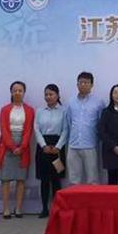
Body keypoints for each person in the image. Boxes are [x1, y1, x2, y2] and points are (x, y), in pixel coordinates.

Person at [0, 81, 35, 219]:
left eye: (20, 90)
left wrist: (22, 146)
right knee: (5, 179)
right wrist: (12, 147)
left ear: (24, 92)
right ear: (11, 92)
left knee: (21, 179)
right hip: (6, 145)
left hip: (23, 146)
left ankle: (18, 208)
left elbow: (29, 130)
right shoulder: (4, 109)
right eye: (15, 90)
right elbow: (3, 129)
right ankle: (6, 209)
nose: (17, 93)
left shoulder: (30, 110)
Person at [34, 84, 68, 218]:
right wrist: (43, 145)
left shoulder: (64, 111)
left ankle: (56, 209)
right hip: (43, 147)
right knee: (44, 179)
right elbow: (36, 129)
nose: (48, 97)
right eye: (46, 94)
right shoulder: (40, 111)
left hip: (57, 148)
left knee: (56, 179)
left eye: (51, 94)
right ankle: (44, 209)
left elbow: (65, 130)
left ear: (57, 95)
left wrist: (58, 147)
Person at [66, 71, 105, 184]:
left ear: (92, 85)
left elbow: (101, 124)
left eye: (86, 82)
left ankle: (93, 196)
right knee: (73, 179)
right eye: (81, 82)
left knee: (93, 179)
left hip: (91, 145)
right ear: (77, 84)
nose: (83, 84)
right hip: (73, 145)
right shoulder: (71, 102)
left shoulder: (99, 102)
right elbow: (69, 122)